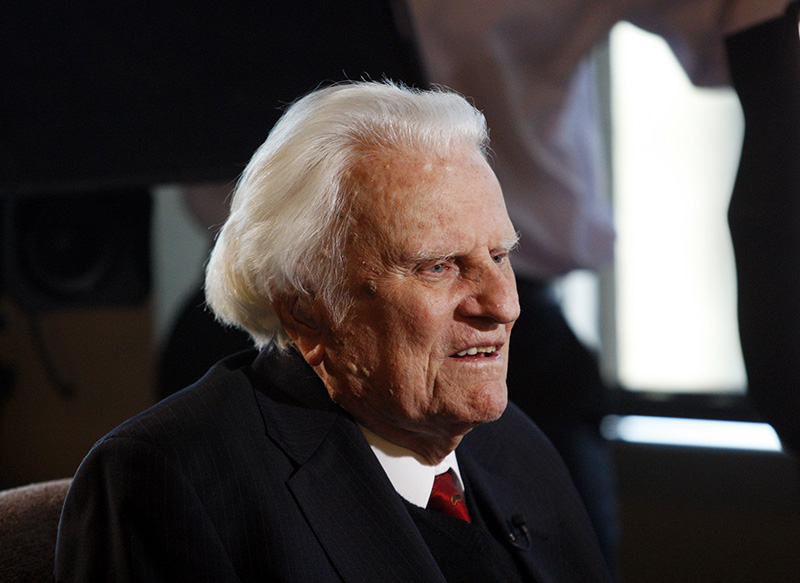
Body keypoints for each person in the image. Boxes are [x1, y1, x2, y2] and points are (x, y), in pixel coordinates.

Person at [54, 81, 612, 582]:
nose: (504, 305)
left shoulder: (513, 443)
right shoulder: (166, 483)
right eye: (438, 266)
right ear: (304, 309)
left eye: (499, 255)